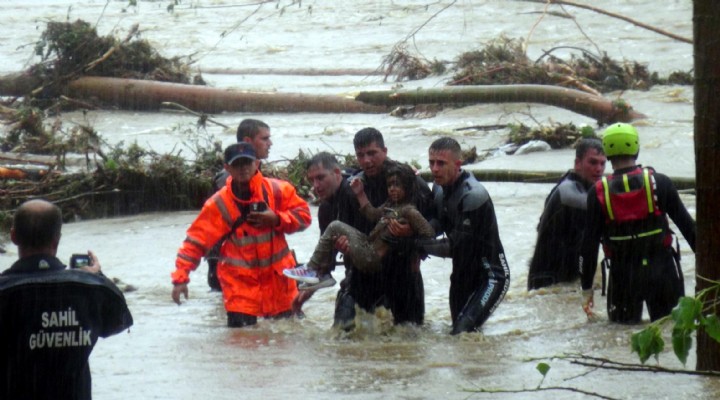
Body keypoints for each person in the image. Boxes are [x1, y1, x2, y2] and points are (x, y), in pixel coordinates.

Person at [0, 199, 133, 400]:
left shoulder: (5, 293)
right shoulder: (91, 289)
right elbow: (119, 321)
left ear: (14, 236)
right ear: (57, 239)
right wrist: (96, 277)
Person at [172, 142, 311, 327]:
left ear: (257, 163)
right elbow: (195, 242)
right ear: (227, 168)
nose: (243, 168)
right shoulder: (219, 204)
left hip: (279, 287)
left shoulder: (278, 191)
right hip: (240, 291)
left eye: (247, 162)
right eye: (237, 164)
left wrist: (277, 219)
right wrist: (180, 278)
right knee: (242, 349)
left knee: (283, 350)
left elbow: (304, 217)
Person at [579, 123, 696, 323]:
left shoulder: (597, 193)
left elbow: (588, 247)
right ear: (636, 148)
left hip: (623, 277)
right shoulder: (660, 182)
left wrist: (586, 289)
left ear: (607, 152)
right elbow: (690, 229)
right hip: (663, 273)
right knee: (670, 331)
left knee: (622, 340)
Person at [333, 128, 434, 330]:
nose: (367, 160)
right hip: (363, 272)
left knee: (410, 336)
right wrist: (341, 244)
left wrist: (413, 238)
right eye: (361, 155)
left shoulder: (411, 180)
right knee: (344, 335)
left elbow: (435, 224)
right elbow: (343, 228)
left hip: (403, 270)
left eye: (372, 153)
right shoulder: (351, 188)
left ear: (385, 151)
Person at [283, 163, 435, 290]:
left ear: (407, 187)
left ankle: (314, 269)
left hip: (371, 257)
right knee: (335, 230)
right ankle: (319, 271)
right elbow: (373, 214)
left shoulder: (409, 211)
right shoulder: (391, 205)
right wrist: (361, 194)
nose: (392, 189)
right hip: (368, 244)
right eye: (390, 185)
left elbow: (429, 234)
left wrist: (409, 233)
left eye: (397, 185)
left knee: (335, 226)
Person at [417, 137, 510, 335]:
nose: (434, 169)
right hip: (461, 274)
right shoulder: (439, 188)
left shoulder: (473, 196)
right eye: (431, 163)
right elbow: (438, 224)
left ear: (458, 164)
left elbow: (455, 247)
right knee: (459, 338)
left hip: (490, 277)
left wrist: (417, 245)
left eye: (441, 163)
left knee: (462, 332)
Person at [527, 138, 607, 290]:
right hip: (549, 281)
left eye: (602, 163)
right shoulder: (569, 193)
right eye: (593, 162)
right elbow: (602, 214)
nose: (599, 169)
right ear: (578, 163)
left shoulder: (575, 186)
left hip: (563, 277)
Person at [207, 118, 273, 291]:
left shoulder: (254, 175)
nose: (270, 143)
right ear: (247, 142)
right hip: (228, 261)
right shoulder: (229, 179)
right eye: (264, 139)